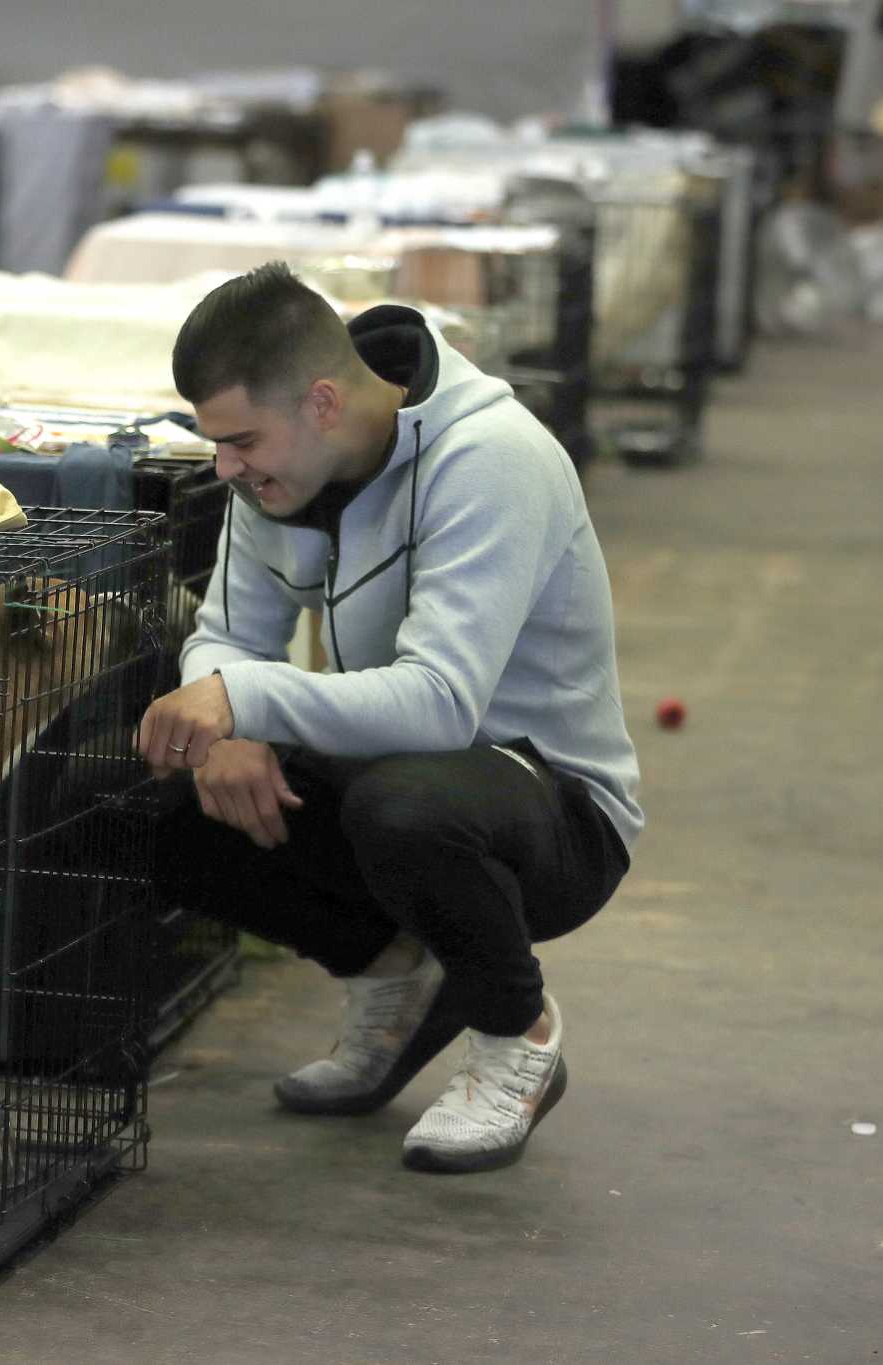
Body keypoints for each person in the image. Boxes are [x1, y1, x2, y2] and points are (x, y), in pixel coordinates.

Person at [139, 263, 642, 1173]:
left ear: (323, 401)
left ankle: (515, 1033)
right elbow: (224, 634)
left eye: (242, 439)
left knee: (403, 807)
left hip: (553, 809)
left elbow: (443, 703)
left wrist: (242, 698)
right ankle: (392, 975)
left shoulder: (493, 458)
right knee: (156, 806)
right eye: (217, 444)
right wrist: (231, 718)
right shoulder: (277, 481)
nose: (225, 468)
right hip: (395, 773)